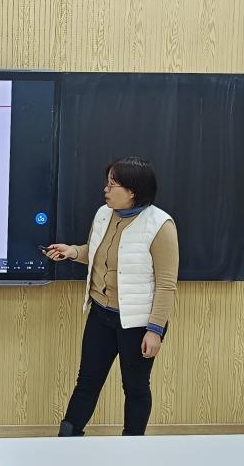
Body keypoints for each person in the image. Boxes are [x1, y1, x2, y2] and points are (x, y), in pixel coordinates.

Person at [42, 156, 178, 436]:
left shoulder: (160, 225)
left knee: (135, 387)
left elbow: (166, 285)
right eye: (107, 183)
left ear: (133, 191)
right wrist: (72, 251)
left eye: (113, 184)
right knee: (87, 381)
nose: (105, 189)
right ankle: (67, 439)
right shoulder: (104, 214)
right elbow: (95, 252)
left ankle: (132, 445)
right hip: (102, 314)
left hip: (138, 323)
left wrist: (155, 331)